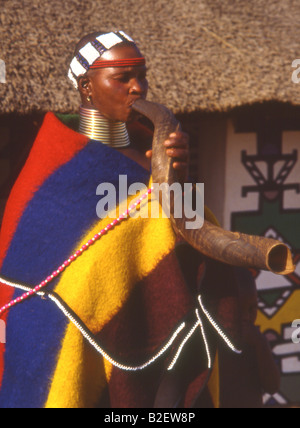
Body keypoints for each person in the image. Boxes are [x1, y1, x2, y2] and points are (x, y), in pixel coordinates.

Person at [0, 30, 241, 408]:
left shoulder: (151, 150)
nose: (138, 88)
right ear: (86, 87)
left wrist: (176, 173)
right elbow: (39, 261)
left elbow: (178, 229)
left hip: (154, 332)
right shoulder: (55, 165)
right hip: (70, 336)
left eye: (141, 76)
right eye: (123, 77)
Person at [219, 268, 280, 408]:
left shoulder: (254, 343)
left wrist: (261, 345)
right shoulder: (208, 344)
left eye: (252, 309)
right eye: (238, 310)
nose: (246, 317)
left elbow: (273, 386)